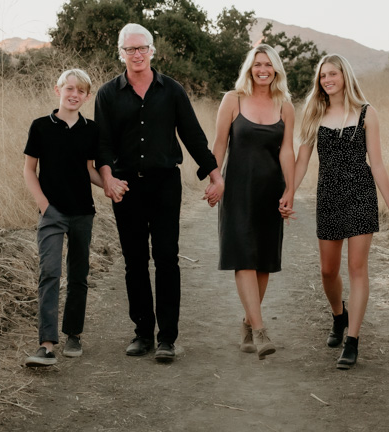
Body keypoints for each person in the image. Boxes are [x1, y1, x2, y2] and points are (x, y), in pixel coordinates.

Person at [94, 23, 223, 363]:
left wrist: (215, 176)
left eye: (142, 48)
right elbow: (102, 143)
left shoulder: (172, 90)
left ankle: (167, 338)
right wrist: (107, 179)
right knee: (135, 261)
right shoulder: (107, 94)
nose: (136, 54)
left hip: (165, 184)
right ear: (120, 53)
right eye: (130, 49)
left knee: (167, 258)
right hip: (126, 187)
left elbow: (193, 135)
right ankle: (142, 333)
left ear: (152, 50)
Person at [294, 54, 389, 369]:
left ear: (345, 76)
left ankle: (352, 340)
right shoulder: (314, 112)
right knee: (328, 271)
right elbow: (302, 160)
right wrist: (288, 193)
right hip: (328, 197)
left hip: (360, 195)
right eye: (323, 75)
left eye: (333, 74)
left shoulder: (367, 113)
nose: (327, 80)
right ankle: (339, 316)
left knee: (357, 268)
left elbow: (377, 164)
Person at [211, 44, 295, 359]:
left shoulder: (285, 106)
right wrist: (215, 180)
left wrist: (290, 190)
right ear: (250, 68)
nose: (263, 70)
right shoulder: (232, 100)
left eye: (268, 65)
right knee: (243, 256)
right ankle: (260, 331)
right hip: (237, 189)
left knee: (264, 261)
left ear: (276, 70)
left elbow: (287, 151)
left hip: (271, 190)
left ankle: (248, 322)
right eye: (258, 64)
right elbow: (219, 144)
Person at [22, 68, 103, 367]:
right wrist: (44, 205)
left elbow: (89, 169)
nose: (74, 94)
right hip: (52, 213)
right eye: (69, 88)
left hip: (82, 212)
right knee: (50, 273)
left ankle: (74, 334)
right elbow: (29, 170)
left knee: (79, 275)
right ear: (58, 90)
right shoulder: (41, 126)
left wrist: (110, 185)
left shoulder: (91, 129)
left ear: (87, 96)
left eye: (80, 91)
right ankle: (46, 345)